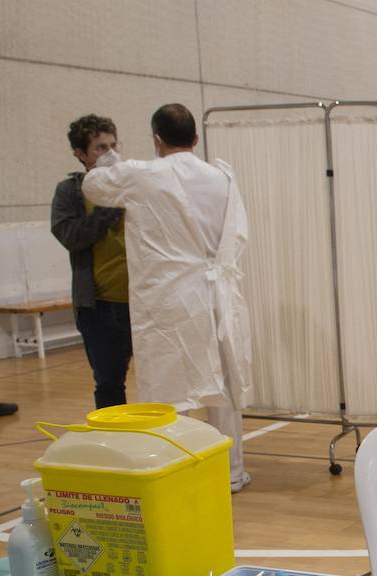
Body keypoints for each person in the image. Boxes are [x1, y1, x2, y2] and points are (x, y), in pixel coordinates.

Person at [82, 103, 254, 493]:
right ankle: (230, 472)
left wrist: (109, 158)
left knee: (170, 390)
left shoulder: (143, 175)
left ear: (157, 140)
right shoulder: (222, 177)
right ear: (195, 138)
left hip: (170, 297)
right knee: (224, 389)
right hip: (218, 296)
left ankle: (177, 472)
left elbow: (94, 186)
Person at [51, 114, 132, 410]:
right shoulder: (69, 191)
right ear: (81, 154)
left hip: (143, 299)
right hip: (99, 306)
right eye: (100, 148)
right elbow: (70, 236)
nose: (110, 154)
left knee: (157, 377)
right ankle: (114, 435)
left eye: (113, 145)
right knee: (109, 383)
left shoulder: (132, 185)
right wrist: (107, 209)